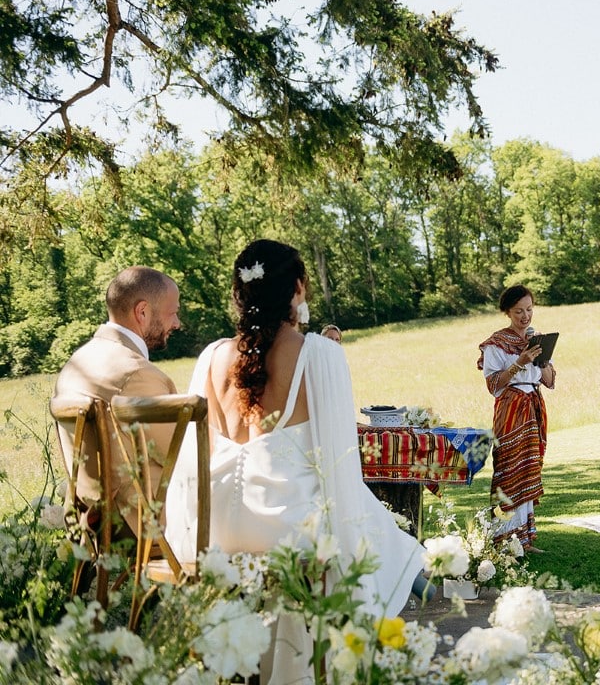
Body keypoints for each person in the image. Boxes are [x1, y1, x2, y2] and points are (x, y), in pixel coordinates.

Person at [168, 240, 426, 683]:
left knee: (378, 530)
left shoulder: (210, 356)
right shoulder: (319, 353)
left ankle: (422, 570)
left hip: (217, 533)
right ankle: (425, 579)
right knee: (375, 528)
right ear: (300, 288)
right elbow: (342, 465)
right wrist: (347, 557)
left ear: (238, 294)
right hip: (285, 532)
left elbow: (194, 461)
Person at [53, 266, 181, 532]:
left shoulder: (75, 365)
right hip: (145, 522)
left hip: (93, 519)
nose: (177, 324)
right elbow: (184, 454)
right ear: (142, 312)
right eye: (174, 313)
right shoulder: (136, 374)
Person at [477, 284, 556, 551]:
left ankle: (525, 538)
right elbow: (494, 384)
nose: (525, 317)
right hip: (511, 408)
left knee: (529, 468)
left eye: (529, 310)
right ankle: (504, 538)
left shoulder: (538, 341)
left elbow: (549, 380)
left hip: (533, 406)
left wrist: (542, 360)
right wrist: (519, 362)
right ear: (508, 313)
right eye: (519, 311)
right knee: (509, 468)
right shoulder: (496, 344)